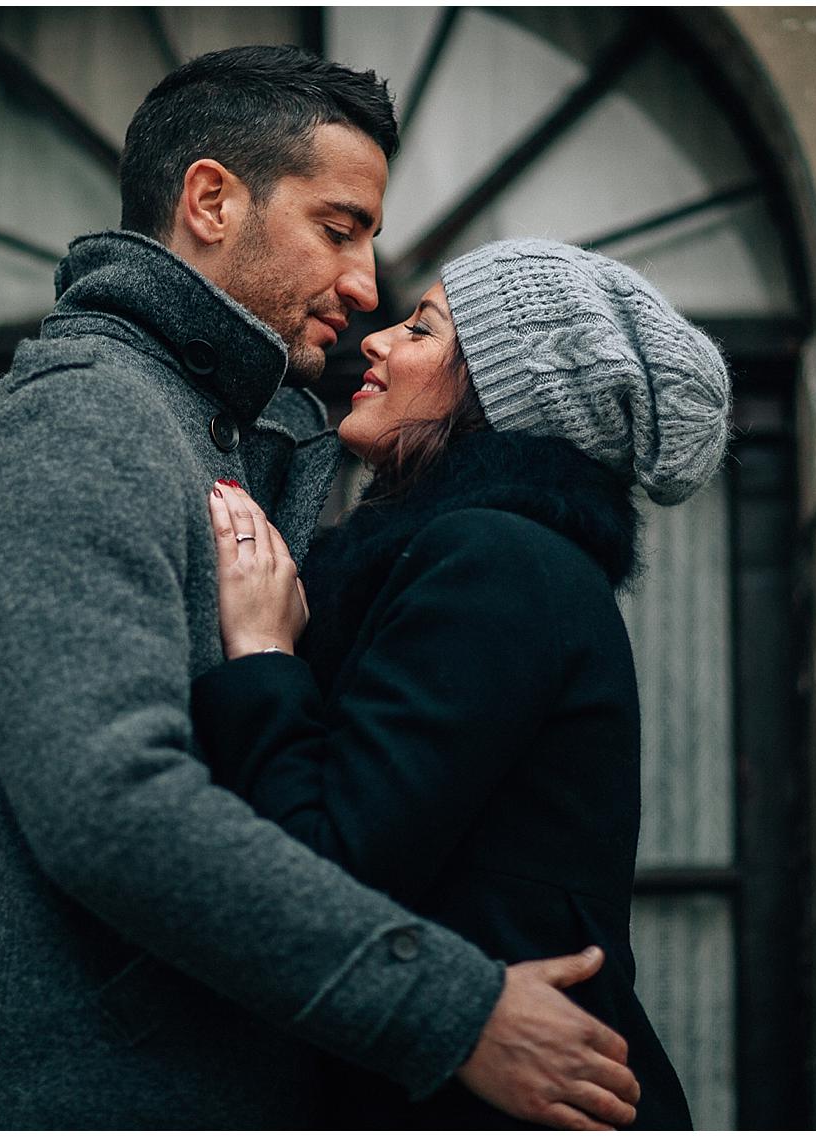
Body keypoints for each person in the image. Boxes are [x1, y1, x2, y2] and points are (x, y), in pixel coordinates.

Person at [0, 49, 642, 1129]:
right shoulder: (75, 422)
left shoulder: (250, 438)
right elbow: (115, 808)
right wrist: (448, 1010)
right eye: (338, 228)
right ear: (210, 200)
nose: (363, 287)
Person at [192, 238, 730, 1129]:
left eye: (425, 328)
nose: (378, 339)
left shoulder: (493, 563)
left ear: (498, 397)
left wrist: (261, 652)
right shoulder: (479, 558)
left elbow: (325, 870)